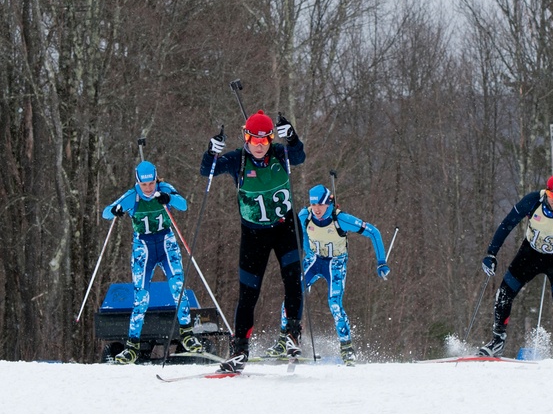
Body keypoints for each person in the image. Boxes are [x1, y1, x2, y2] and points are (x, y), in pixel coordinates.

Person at [202, 110, 305, 373]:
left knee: (292, 280)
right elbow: (207, 171)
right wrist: (211, 152)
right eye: (253, 140)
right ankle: (239, 349)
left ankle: (293, 334)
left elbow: (299, 156)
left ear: (271, 139)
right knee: (248, 294)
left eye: (264, 140)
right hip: (253, 235)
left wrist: (292, 138)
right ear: (245, 137)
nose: (259, 146)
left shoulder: (281, 154)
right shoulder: (237, 160)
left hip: (285, 229)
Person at [479, 174, 553, 370]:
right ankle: (497, 341)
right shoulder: (533, 200)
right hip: (530, 254)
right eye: (552, 195)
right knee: (504, 293)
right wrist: (491, 253)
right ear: (546, 192)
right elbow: (507, 224)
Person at [265, 184, 390, 365]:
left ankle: (347, 348)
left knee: (335, 304)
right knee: (291, 295)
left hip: (335, 264)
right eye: (313, 204)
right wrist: (306, 252)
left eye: (321, 205)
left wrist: (381, 262)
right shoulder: (305, 215)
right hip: (314, 260)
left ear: (329, 203)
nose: (316, 209)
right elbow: (297, 232)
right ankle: (284, 341)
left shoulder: (340, 219)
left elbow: (373, 232)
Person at [102, 160, 202, 364]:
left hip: (166, 244)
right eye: (144, 184)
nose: (148, 188)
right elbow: (106, 212)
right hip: (143, 249)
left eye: (151, 183)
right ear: (138, 182)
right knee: (141, 297)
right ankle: (132, 346)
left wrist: (168, 198)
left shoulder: (163, 189)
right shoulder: (132, 196)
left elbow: (183, 205)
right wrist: (115, 210)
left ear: (156, 179)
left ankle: (187, 334)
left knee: (177, 286)